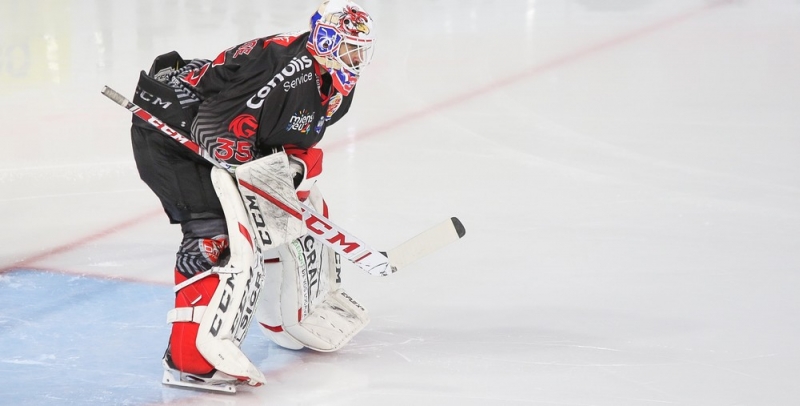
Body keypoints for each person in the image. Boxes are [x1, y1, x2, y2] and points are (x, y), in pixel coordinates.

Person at [129, 0, 374, 392]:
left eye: (361, 50)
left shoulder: (336, 83)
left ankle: (292, 319)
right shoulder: (284, 69)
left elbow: (281, 133)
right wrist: (264, 176)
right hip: (172, 135)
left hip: (217, 135)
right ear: (325, 40)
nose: (356, 58)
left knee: (294, 212)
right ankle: (189, 360)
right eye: (348, 47)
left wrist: (287, 171)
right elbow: (215, 133)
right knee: (215, 235)